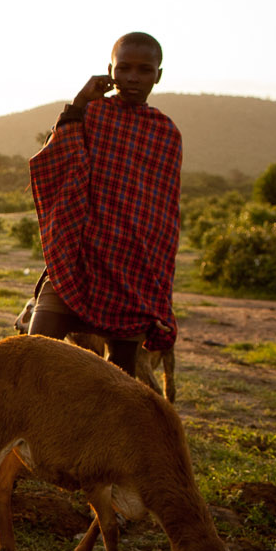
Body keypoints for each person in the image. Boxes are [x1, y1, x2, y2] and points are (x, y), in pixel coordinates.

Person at [27, 32, 181, 373]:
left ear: (158, 74)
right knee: (32, 356)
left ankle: (96, 428)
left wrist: (155, 286)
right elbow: (55, 158)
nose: (132, 77)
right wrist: (80, 100)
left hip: (131, 277)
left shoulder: (165, 133)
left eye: (144, 69)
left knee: (119, 378)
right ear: (110, 71)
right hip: (76, 263)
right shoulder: (93, 114)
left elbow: (164, 217)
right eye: (124, 68)